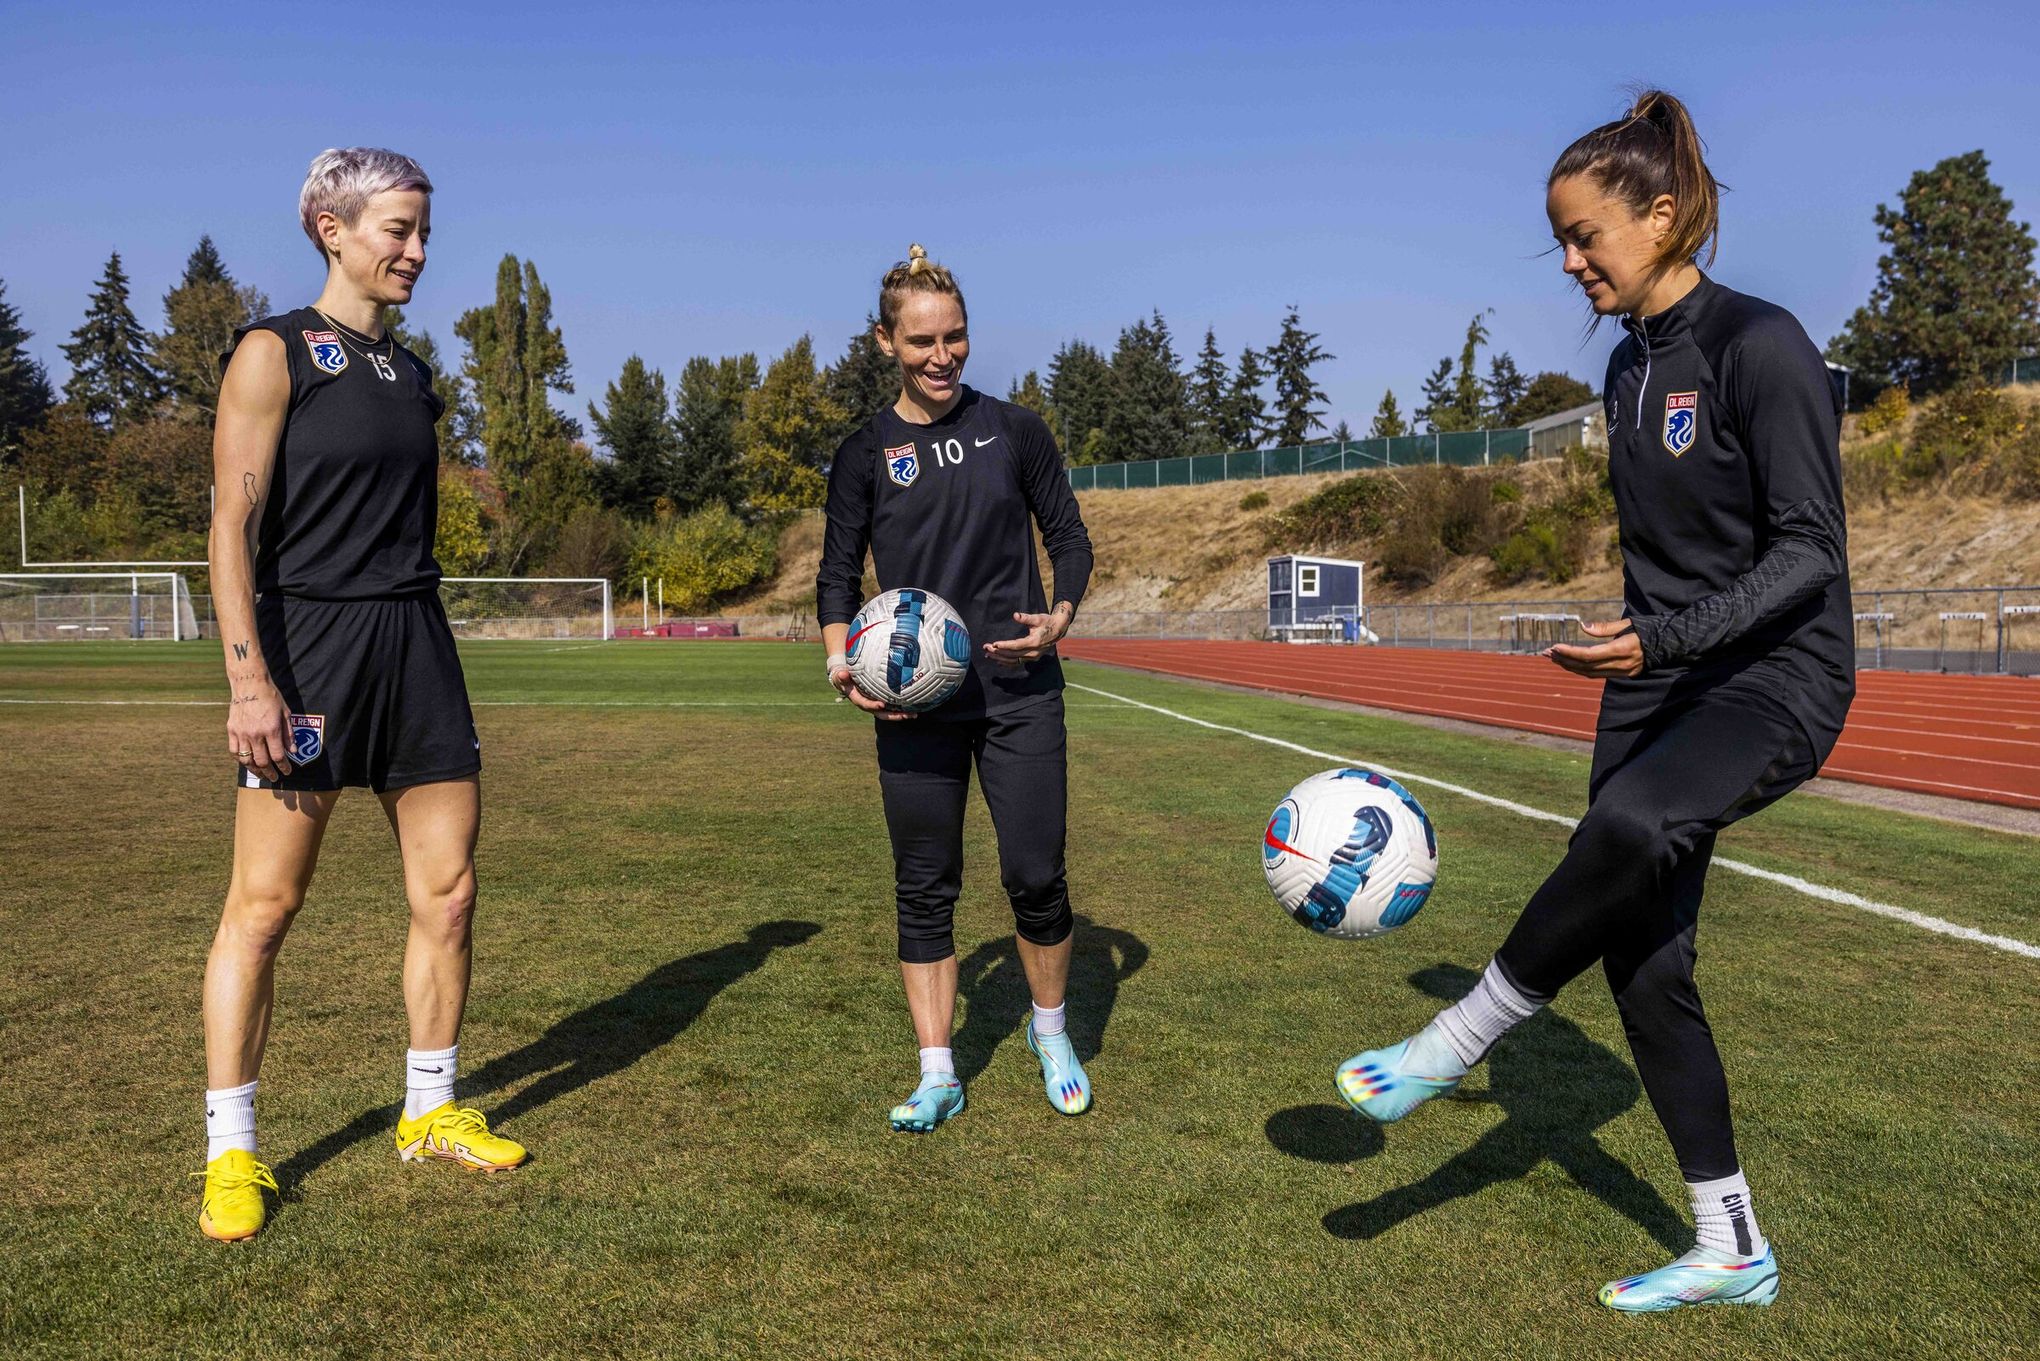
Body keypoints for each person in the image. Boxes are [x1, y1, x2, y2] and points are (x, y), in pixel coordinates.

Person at [1335, 91, 1853, 1312]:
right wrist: (1633, 637)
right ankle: (1733, 1248)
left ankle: (1453, 1041)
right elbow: (1674, 547)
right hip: (1651, 677)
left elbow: (1807, 552)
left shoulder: (1760, 343)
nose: (1570, 263)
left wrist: (1665, 635)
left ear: (1662, 215)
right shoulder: (1628, 370)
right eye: (1559, 242)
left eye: (1585, 237)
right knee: (1645, 962)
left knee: (1623, 834)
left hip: (1776, 677)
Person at [197, 147, 524, 1242]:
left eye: (424, 231)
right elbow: (230, 525)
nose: (417, 251)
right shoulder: (273, 351)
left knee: (450, 893)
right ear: (331, 228)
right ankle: (232, 1149)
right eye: (397, 229)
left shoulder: (412, 372)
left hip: (416, 643)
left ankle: (428, 1111)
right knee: (266, 906)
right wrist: (250, 678)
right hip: (310, 649)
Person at [816, 245, 1097, 1132]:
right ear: (885, 342)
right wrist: (840, 659)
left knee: (1035, 873)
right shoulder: (865, 450)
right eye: (923, 341)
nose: (943, 357)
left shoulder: (1016, 430)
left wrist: (1060, 612)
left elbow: (1071, 537)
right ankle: (937, 1069)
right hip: (915, 704)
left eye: (958, 338)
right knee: (924, 883)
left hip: (1019, 690)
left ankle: (1050, 1031)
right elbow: (835, 574)